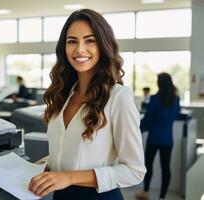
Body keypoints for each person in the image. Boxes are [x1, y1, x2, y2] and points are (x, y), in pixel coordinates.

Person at [28, 9, 146, 200]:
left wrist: (69, 177)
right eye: (72, 41)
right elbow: (68, 154)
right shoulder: (62, 95)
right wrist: (43, 167)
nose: (79, 49)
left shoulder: (119, 97)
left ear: (103, 45)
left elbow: (134, 171)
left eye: (90, 40)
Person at [135, 73, 180, 200]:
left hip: (154, 138)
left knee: (148, 165)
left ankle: (145, 192)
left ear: (159, 83)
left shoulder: (155, 99)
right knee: (166, 167)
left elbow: (148, 120)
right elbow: (174, 116)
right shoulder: (176, 99)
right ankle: (162, 197)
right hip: (167, 139)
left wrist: (137, 129)